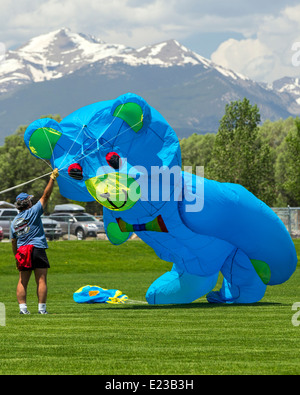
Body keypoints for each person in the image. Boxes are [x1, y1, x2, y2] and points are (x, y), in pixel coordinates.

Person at [11, 169, 59, 315]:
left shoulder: (14, 221)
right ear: (28, 203)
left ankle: (23, 309)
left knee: (22, 281)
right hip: (37, 248)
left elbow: (13, 241)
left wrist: (16, 255)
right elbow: (46, 195)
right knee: (41, 279)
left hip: (22, 251)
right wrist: (52, 178)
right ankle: (42, 310)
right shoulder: (34, 211)